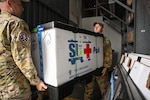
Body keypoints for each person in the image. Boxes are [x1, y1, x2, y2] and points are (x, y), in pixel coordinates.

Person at [0, 0, 47, 99]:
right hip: (15, 89)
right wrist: (36, 82)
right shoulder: (16, 23)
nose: (22, 8)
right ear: (9, 3)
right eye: (20, 4)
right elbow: (22, 57)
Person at [84, 22, 112, 100]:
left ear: (102, 29)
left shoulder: (105, 40)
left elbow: (108, 54)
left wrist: (106, 67)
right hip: (90, 68)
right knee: (88, 90)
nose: (96, 28)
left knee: (104, 90)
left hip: (101, 69)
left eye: (98, 26)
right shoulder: (89, 39)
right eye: (95, 26)